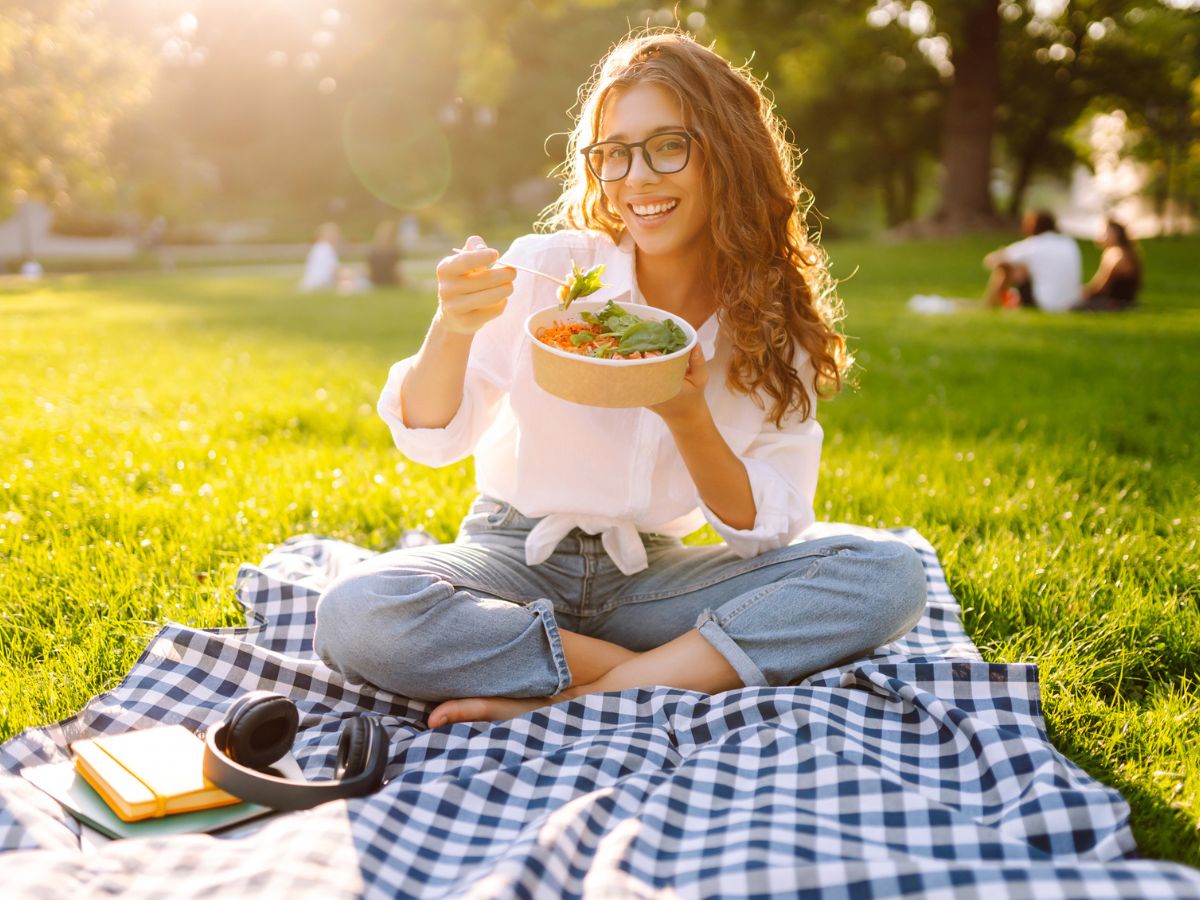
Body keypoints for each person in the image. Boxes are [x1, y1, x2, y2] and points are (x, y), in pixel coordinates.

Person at [313, 32, 928, 729]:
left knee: (889, 576)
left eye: (668, 146)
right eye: (614, 154)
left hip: (651, 583)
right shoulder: (552, 266)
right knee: (360, 611)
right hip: (513, 558)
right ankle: (668, 673)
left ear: (728, 154)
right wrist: (449, 330)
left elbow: (767, 530)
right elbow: (429, 440)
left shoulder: (770, 321)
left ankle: (578, 694)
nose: (636, 178)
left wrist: (689, 417)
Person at [983, 210, 1082, 312]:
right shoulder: (1069, 242)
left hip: (1046, 304)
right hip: (1072, 302)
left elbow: (991, 260)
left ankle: (989, 304)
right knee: (1026, 267)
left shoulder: (1033, 245)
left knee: (1007, 268)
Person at [1073, 219, 1141, 312]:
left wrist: (1085, 293)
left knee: (1073, 306)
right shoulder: (1123, 252)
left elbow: (1103, 285)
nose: (1100, 236)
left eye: (1105, 233)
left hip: (1115, 302)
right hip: (1124, 301)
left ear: (1115, 234)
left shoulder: (1116, 254)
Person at [299, 222, 341, 292]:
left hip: (312, 283)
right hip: (320, 284)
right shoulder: (326, 248)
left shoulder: (319, 247)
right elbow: (333, 271)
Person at [367, 219, 402, 287]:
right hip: (379, 280)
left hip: (387, 280)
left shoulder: (393, 252)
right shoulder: (374, 252)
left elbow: (398, 270)